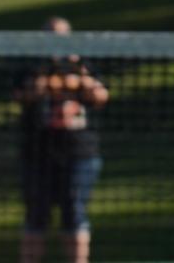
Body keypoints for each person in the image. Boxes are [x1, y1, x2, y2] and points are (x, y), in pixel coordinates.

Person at [14, 16, 109, 263]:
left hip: (79, 153)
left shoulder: (83, 64)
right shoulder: (31, 66)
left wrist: (78, 72)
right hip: (38, 153)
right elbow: (25, 96)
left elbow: (100, 96)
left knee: (74, 213)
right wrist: (47, 71)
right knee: (36, 216)